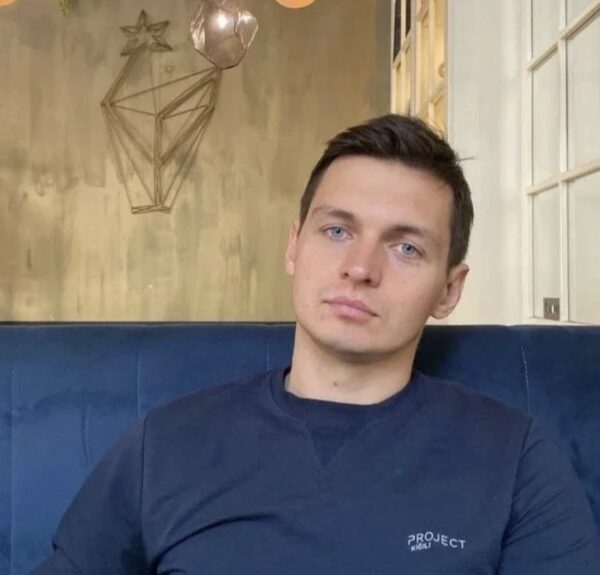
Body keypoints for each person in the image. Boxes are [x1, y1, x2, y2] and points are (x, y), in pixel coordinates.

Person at [32, 115, 600, 574]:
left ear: (448, 290)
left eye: (406, 248)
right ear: (293, 247)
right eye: (337, 230)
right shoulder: (165, 445)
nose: (360, 267)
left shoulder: (515, 459)